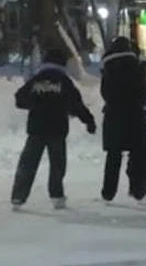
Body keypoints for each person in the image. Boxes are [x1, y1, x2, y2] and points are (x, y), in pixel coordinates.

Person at [11, 48, 97, 209]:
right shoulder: (64, 81)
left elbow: (20, 99)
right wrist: (88, 121)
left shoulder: (37, 79)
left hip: (36, 128)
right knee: (57, 164)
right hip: (57, 128)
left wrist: (36, 103)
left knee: (28, 163)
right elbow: (76, 103)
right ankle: (56, 195)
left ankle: (18, 196)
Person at [100, 37, 146, 202]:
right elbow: (143, 92)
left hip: (113, 116)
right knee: (137, 153)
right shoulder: (136, 67)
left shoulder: (108, 68)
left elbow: (105, 93)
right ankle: (137, 188)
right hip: (134, 115)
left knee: (113, 155)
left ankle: (108, 191)